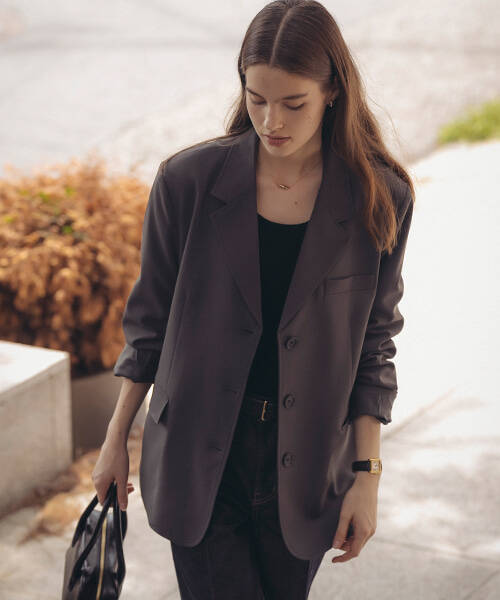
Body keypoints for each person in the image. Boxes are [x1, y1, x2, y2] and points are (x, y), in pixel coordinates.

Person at [92, 1, 415, 598]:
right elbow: (148, 326)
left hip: (309, 465)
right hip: (199, 456)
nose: (271, 121)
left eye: (293, 103)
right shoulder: (187, 183)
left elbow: (374, 345)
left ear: (332, 93)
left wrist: (367, 477)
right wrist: (115, 441)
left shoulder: (378, 197)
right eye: (257, 98)